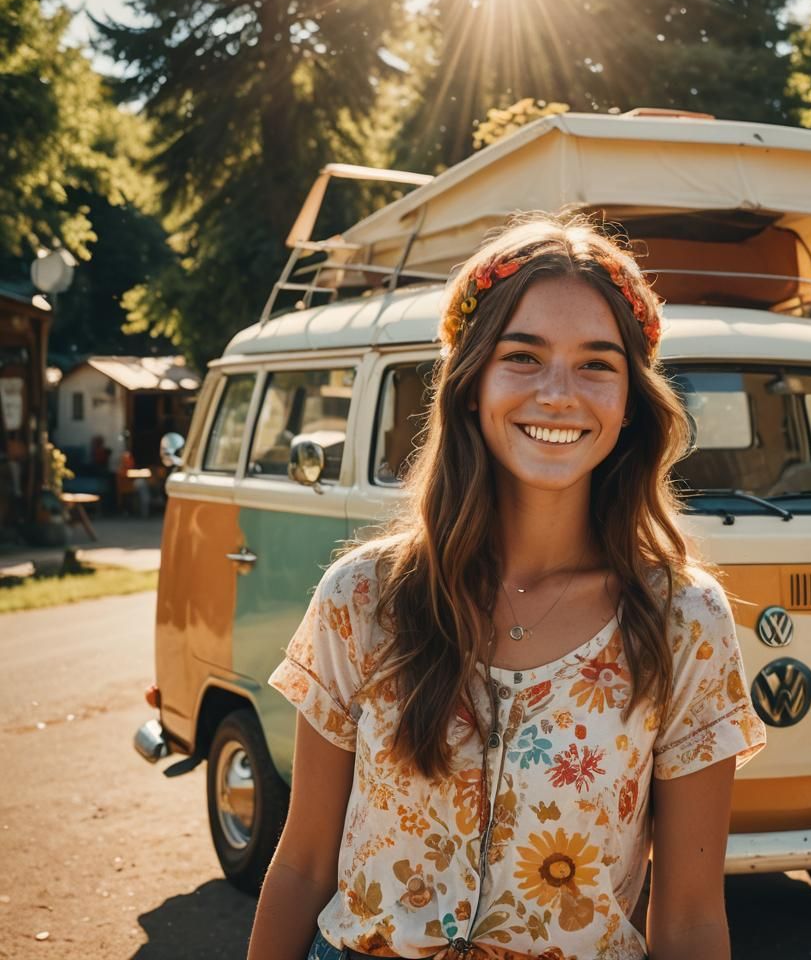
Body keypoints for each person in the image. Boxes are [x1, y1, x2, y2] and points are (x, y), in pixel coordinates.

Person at [248, 216, 767, 960]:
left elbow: (688, 919)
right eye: (522, 356)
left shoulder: (682, 619)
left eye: (597, 364)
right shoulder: (364, 597)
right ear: (470, 384)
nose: (559, 394)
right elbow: (301, 864)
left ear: (630, 401)